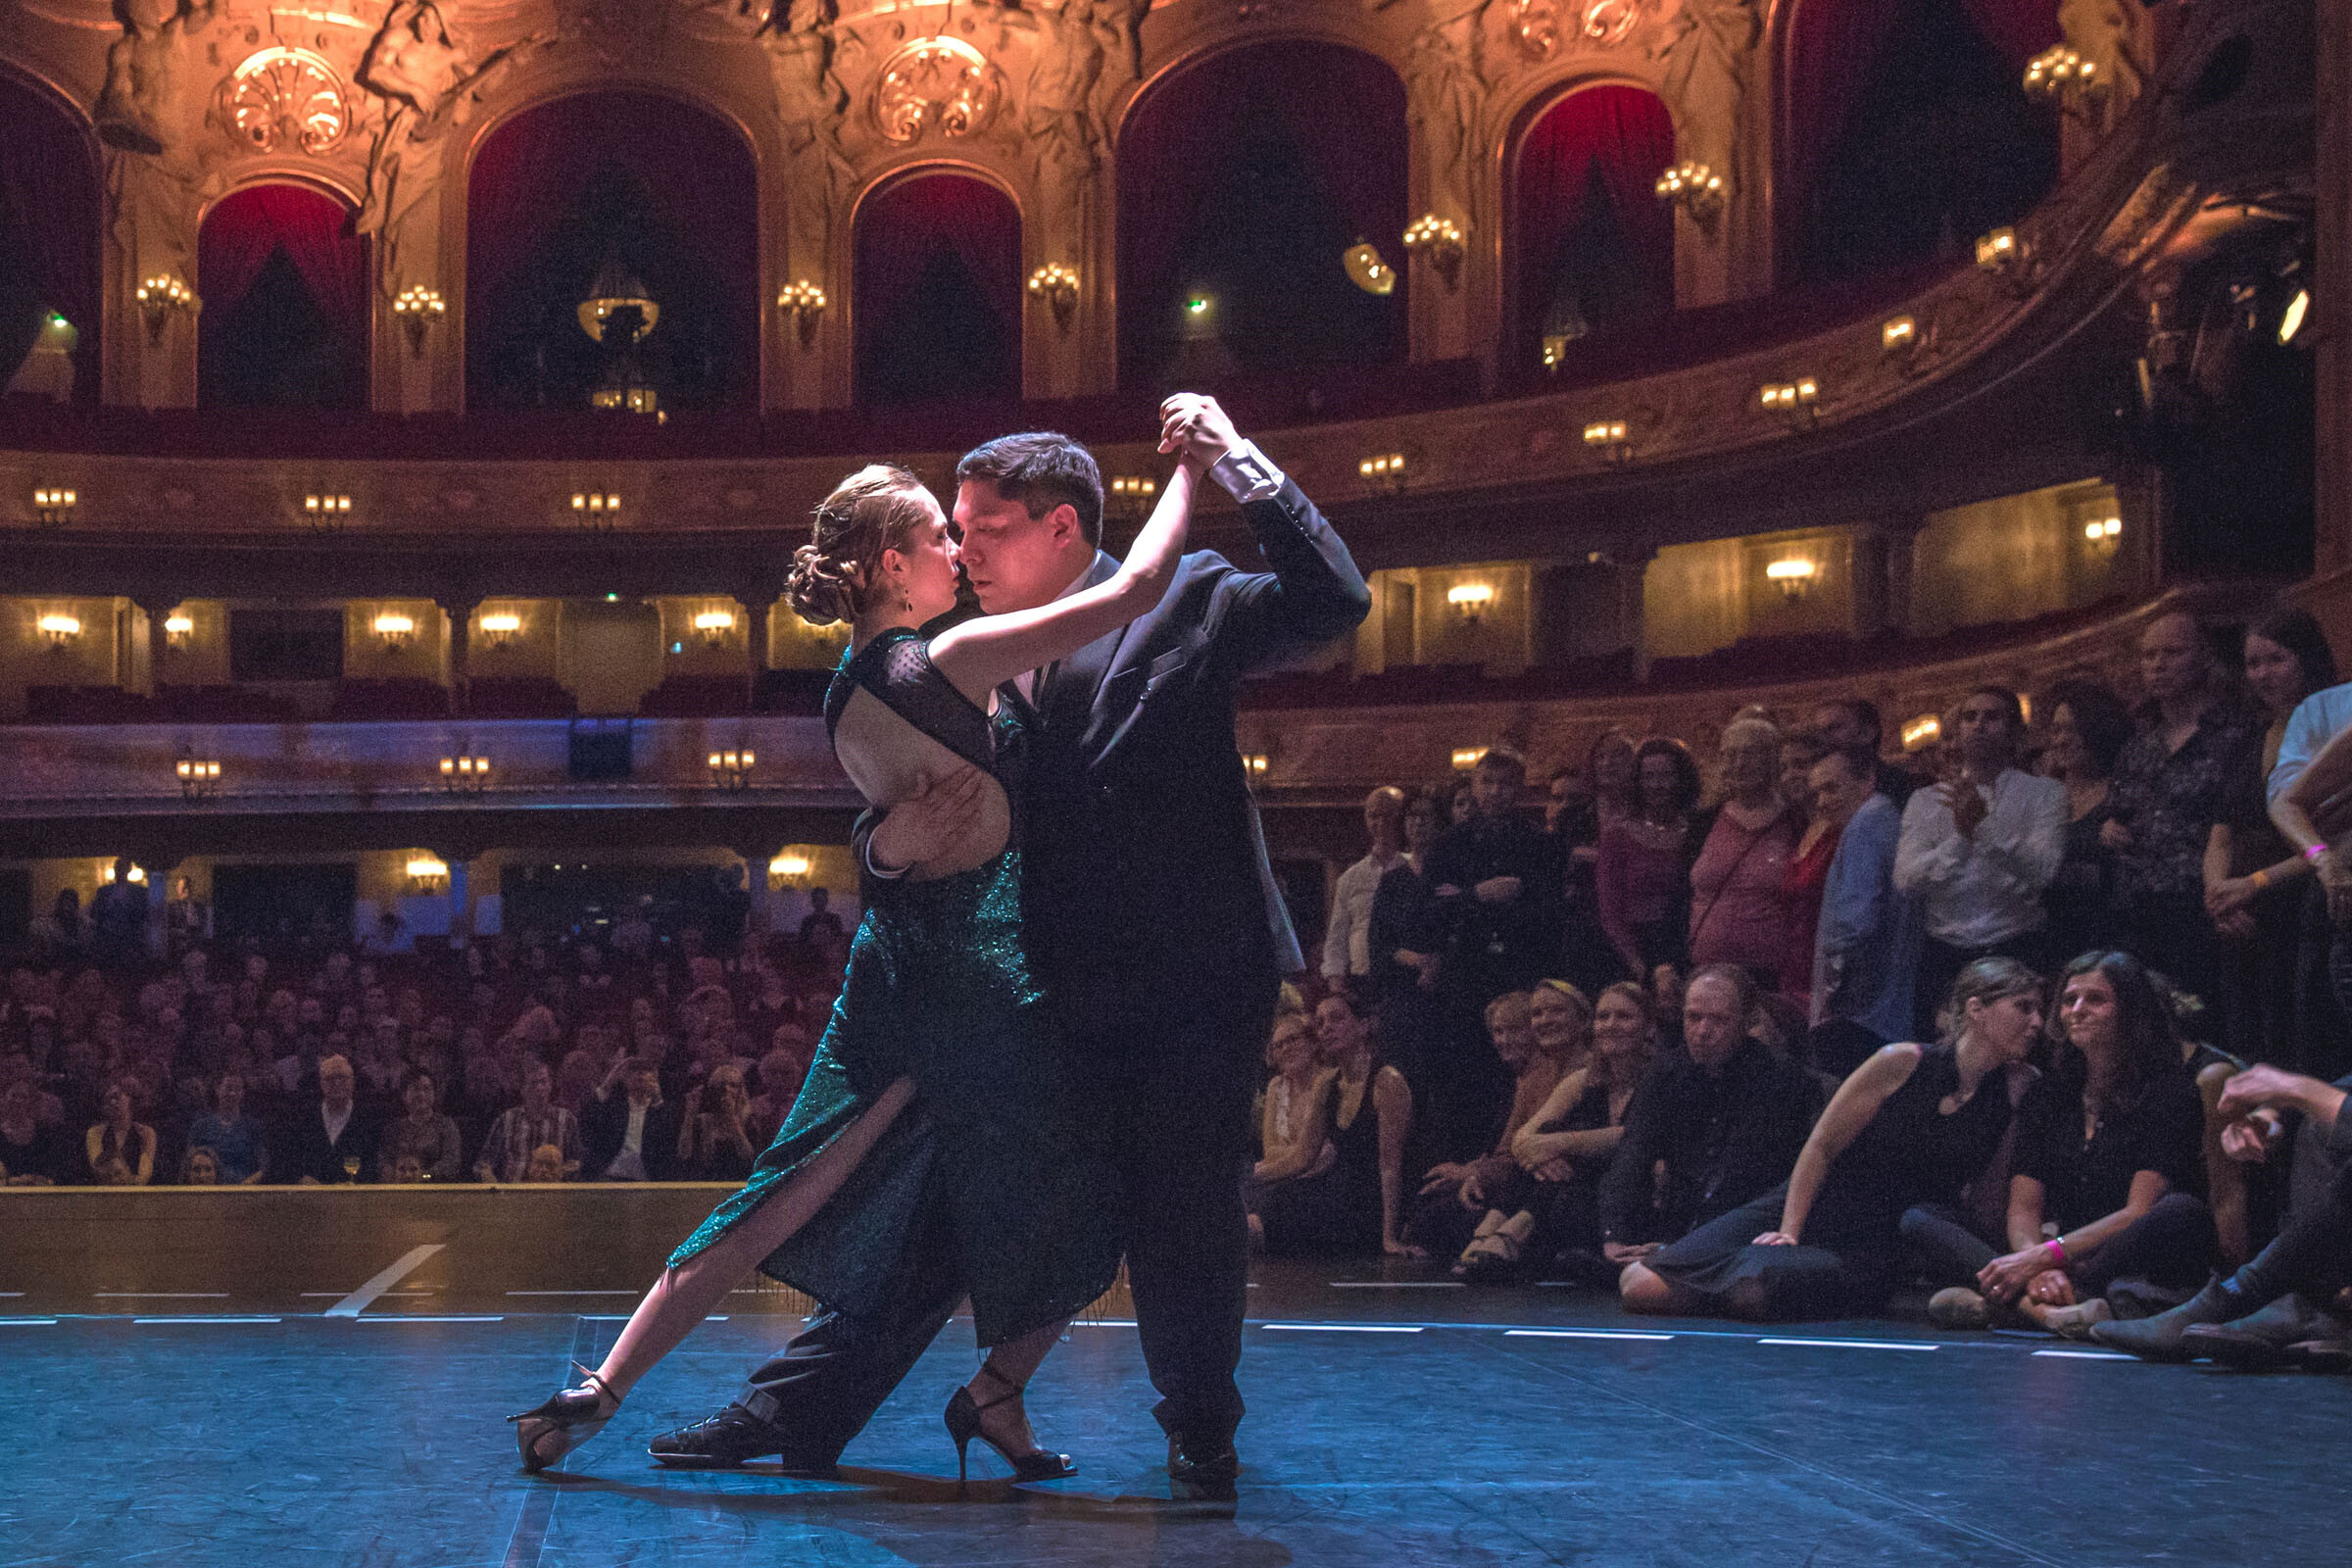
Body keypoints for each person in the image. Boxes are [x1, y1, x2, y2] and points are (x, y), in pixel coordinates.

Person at [1628, 959, 2040, 1320]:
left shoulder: (2018, 1088)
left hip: (1874, 1244)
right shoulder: (1902, 1062)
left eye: (2038, 1009)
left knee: (1756, 1288)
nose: (2037, 1022)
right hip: (1812, 1203)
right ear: (1977, 1010)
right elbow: (1821, 1146)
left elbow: (1989, 1195)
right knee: (1638, 1283)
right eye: (2024, 1007)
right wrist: (1790, 1229)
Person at [1950, 952, 2215, 1336]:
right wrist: (2034, 1264)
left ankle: (2009, 1305)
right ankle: (2042, 1308)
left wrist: (2045, 1256)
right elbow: (2023, 1208)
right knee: (1922, 1220)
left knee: (2181, 1212)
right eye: (2070, 999)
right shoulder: (2049, 1094)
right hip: (2057, 1256)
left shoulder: (2168, 1093)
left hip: (2121, 1254)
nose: (2077, 1010)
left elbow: (2137, 1212)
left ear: (2129, 1011)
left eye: (2096, 1000)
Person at [1604, 966, 1823, 1281]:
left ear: (1746, 1022)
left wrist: (1681, 1246)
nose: (1702, 1031)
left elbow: (1744, 1175)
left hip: (1748, 1224)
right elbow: (1632, 1156)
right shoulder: (1666, 1074)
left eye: (1718, 1020)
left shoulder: (1781, 1080)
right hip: (1679, 1219)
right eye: (1693, 1018)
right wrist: (1616, 1235)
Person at [2106, 611, 2260, 1006]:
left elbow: (2245, 823)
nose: (2158, 664)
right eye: (2149, 655)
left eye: (2172, 652)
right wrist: (2109, 825)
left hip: (2203, 907)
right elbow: (2120, 808)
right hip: (2139, 910)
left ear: (2204, 658)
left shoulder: (2237, 732)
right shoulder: (2138, 743)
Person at [2206, 608, 2339, 1066]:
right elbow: (2221, 832)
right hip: (2241, 914)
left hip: (2304, 903)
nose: (2262, 674)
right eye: (2253, 663)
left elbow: (2332, 841)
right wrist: (2219, 894)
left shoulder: (2333, 730)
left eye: (2275, 660)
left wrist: (2253, 884)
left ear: (2307, 659)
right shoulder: (2249, 736)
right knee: (2246, 1039)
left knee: (2301, 1041)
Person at [1894, 686, 2066, 1036]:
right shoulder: (1925, 801)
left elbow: (2044, 871)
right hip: (1945, 953)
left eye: (1992, 717)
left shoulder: (2045, 793)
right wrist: (1961, 838)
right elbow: (1906, 879)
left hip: (2018, 945)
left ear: (2015, 732)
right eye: (1970, 717)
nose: (1979, 725)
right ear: (1957, 732)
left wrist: (1983, 830)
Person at [1454, 981, 1651, 1283]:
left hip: (1629, 1193)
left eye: (1623, 1017)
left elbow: (1634, 1138)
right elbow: (1522, 1138)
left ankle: (1509, 1233)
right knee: (1549, 1144)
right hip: (1570, 1188)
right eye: (1604, 1017)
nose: (1611, 1025)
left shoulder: (1661, 1078)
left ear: (1647, 1026)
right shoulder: (1583, 1079)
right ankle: (1502, 1229)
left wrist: (1557, 1145)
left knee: (1563, 1145)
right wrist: (1542, 1154)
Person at [1423, 747, 1564, 1159]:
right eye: (1488, 782)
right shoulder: (1450, 845)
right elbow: (1426, 913)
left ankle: (1511, 1158)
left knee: (1519, 1074)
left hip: (1519, 971)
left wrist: (1467, 899)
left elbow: (1549, 911)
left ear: (1519, 788)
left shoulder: (1540, 844)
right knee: (1465, 1078)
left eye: (1506, 783)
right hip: (1464, 978)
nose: (1496, 792)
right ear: (1475, 786)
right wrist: (1478, 895)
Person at [1808, 747, 1922, 1077]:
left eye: (1831, 788)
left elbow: (1855, 924)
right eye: (1817, 792)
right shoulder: (1885, 819)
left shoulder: (1866, 825)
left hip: (1858, 1010)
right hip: (1881, 1009)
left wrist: (1832, 1000)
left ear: (1867, 780)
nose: (1821, 802)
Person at [1686, 716, 1795, 987]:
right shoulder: (1704, 821)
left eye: (1749, 753)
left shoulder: (1796, 821)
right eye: (1730, 755)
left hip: (1773, 973)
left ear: (1773, 758)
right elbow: (1680, 893)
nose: (1739, 764)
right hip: (1705, 968)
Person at [2038, 678, 2134, 956]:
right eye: (2056, 730)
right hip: (2047, 937)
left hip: (2106, 937)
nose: (2061, 740)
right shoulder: (2042, 795)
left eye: (2074, 730)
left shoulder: (2122, 792)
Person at [1595, 738, 1701, 983]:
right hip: (1632, 951)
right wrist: (1638, 965)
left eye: (1666, 776)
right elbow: (1609, 910)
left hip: (1687, 945)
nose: (1657, 785)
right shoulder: (1618, 835)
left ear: (1681, 779)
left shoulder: (1699, 831)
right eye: (1649, 777)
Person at [1555, 731, 1639, 993]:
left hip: (1633, 925)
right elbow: (1553, 865)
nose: (1608, 762)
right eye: (1601, 756)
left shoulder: (1645, 814)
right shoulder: (1574, 817)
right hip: (1582, 928)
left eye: (1618, 755)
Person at [1322, 787, 1408, 987]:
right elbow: (1337, 936)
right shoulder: (1350, 878)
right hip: (1362, 979)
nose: (1381, 823)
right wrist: (1335, 982)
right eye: (1374, 816)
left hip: (1404, 978)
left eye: (1389, 815)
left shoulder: (1414, 868)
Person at [276, 1054, 377, 1185]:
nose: (336, 1083)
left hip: (353, 1199)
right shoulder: (302, 1118)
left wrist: (354, 1184)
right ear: (321, 1083)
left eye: (342, 1077)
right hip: (310, 1199)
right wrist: (301, 1178)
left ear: (352, 1082)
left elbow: (372, 1164)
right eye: (330, 1079)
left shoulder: (368, 1120)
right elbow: (289, 1159)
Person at [579, 1055, 682, 1183]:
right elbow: (587, 1125)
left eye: (646, 1071)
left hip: (646, 1179)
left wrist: (657, 1099)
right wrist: (608, 1084)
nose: (640, 1074)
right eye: (634, 1071)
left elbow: (669, 1144)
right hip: (609, 1175)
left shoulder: (662, 1111)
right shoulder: (613, 1106)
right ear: (625, 1079)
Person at [475, 1059, 580, 1183]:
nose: (540, 1088)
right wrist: (488, 1177)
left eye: (543, 1082)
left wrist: (560, 1173)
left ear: (550, 1086)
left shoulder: (566, 1119)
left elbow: (578, 1160)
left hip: (553, 1193)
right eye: (533, 1083)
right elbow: (484, 1162)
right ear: (522, 1089)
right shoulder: (506, 1120)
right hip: (514, 1193)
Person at [1811, 697, 1916, 808]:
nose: (1823, 738)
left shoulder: (1898, 786)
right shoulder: (1813, 792)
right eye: (1819, 731)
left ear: (1867, 733)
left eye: (1834, 728)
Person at [377, 1066, 464, 1182]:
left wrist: (423, 1176)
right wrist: (390, 1172)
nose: (421, 1094)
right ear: (404, 1095)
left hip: (436, 1190)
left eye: (427, 1089)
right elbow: (384, 1160)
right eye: (416, 1089)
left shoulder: (446, 1126)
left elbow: (451, 1163)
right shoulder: (394, 1128)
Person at [676, 1062, 760, 1182]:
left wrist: (732, 1119)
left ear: (741, 1090)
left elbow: (749, 1159)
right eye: (722, 1085)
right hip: (707, 1185)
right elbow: (683, 1154)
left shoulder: (749, 1120)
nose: (727, 1090)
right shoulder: (703, 1121)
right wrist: (689, 1115)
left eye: (733, 1085)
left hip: (738, 1185)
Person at [184, 1069, 267, 1185]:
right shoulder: (201, 1126)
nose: (232, 1093)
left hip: (244, 1189)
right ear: (217, 1089)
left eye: (237, 1089)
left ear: (243, 1093)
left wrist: (247, 1183)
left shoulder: (252, 1126)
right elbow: (188, 1164)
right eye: (228, 1088)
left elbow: (263, 1166)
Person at [84, 1080, 157, 1186]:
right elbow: (100, 1173)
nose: (112, 1102)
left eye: (116, 1096)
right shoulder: (95, 1133)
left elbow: (143, 1178)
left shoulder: (146, 1133)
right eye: (107, 1100)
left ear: (129, 1098)